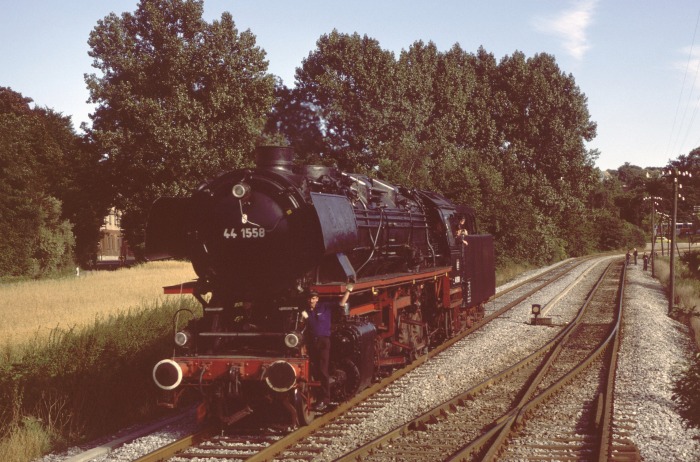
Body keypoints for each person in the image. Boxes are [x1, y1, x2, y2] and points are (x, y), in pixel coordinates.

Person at [302, 287, 351, 412]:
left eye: (313, 298)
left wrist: (348, 290)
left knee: (323, 370)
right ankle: (315, 396)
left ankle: (325, 399)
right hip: (312, 343)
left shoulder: (325, 307)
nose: (311, 301)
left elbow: (341, 303)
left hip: (324, 341)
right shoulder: (305, 311)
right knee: (314, 369)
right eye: (309, 298)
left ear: (317, 299)